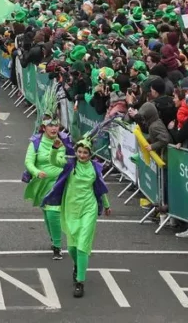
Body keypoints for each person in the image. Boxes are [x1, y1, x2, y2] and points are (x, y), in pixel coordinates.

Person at [42, 135, 111, 299]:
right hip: (72, 208)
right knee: (72, 248)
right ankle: (77, 266)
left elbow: (100, 187)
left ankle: (80, 281)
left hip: (89, 208)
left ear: (90, 154)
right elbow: (53, 161)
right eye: (79, 152)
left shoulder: (95, 168)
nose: (81, 155)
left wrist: (106, 204)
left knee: (82, 246)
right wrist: (55, 148)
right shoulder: (70, 165)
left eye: (85, 153)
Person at [23, 108, 71, 259]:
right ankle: (53, 239)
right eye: (50, 125)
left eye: (56, 125)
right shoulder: (36, 143)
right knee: (47, 213)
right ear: (44, 127)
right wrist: (37, 172)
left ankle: (57, 246)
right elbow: (28, 162)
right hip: (42, 183)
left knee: (53, 211)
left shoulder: (65, 141)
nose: (54, 128)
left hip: (60, 183)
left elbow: (69, 159)